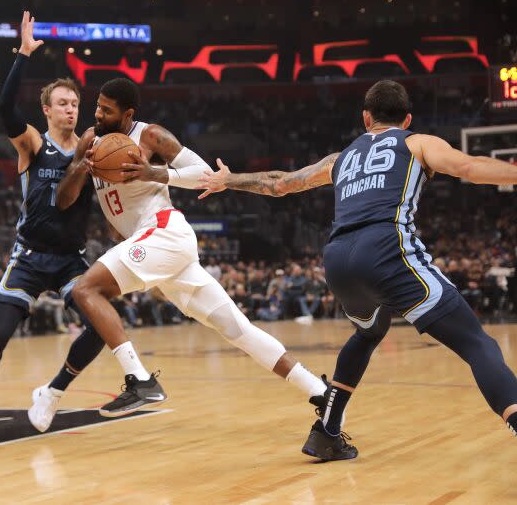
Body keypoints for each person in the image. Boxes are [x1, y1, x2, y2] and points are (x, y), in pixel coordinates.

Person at [196, 79, 517, 460]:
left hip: (336, 259)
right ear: (408, 118)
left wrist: (228, 180)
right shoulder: (417, 142)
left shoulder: (341, 157)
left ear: (366, 118)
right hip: (385, 249)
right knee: (477, 343)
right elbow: (469, 167)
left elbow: (281, 184)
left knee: (368, 332)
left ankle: (326, 432)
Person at [57, 77, 328, 418]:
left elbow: (203, 173)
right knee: (238, 330)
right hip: (156, 249)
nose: (97, 114)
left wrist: (153, 173)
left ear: (128, 114)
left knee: (86, 290)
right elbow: (63, 200)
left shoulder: (150, 135)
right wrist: (82, 166)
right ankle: (319, 391)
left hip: (164, 232)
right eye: (97, 105)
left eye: (106, 110)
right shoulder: (90, 141)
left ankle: (140, 381)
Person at [0, 11, 105, 434]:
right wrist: (23, 54)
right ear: (46, 110)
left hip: (70, 259)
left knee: (101, 326)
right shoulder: (32, 143)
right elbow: (4, 106)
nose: (70, 109)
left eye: (75, 103)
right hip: (29, 256)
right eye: (62, 103)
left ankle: (54, 391)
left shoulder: (95, 150)